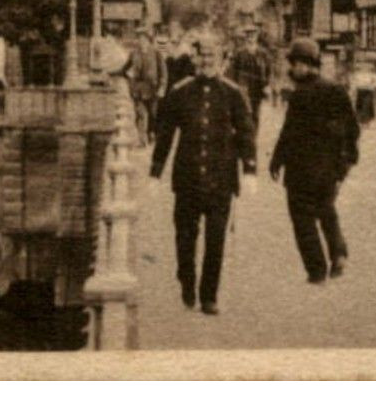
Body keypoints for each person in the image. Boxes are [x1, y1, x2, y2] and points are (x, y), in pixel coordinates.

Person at [150, 40, 257, 315]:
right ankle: (187, 279)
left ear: (221, 59)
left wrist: (250, 170)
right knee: (185, 238)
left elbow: (246, 133)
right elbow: (166, 134)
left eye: (213, 56)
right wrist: (155, 172)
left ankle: (209, 295)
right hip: (187, 179)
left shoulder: (234, 93)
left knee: (215, 240)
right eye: (203, 56)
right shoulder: (180, 92)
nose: (207, 61)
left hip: (221, 180)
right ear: (196, 59)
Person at [268, 40, 359, 284]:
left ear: (303, 64)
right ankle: (339, 254)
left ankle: (317, 270)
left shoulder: (300, 95)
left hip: (301, 171)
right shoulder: (337, 90)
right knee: (327, 210)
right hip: (329, 170)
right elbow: (352, 129)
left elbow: (289, 133)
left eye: (294, 64)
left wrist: (276, 160)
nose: (292, 69)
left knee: (303, 220)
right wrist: (346, 163)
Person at [118, 34, 167, 144]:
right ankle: (142, 138)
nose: (141, 42)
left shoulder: (156, 53)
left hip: (153, 89)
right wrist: (129, 79)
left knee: (153, 114)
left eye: (144, 40)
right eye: (140, 39)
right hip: (138, 90)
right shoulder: (134, 54)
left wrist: (162, 87)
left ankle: (151, 133)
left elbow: (163, 72)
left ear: (149, 41)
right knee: (141, 114)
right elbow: (124, 69)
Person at [227, 30, 271, 133]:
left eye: (253, 36)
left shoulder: (263, 54)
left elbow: (269, 70)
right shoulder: (240, 53)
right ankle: (243, 137)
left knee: (255, 114)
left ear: (256, 38)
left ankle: (253, 137)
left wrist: (267, 85)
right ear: (245, 38)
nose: (250, 38)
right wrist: (234, 87)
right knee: (244, 112)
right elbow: (233, 71)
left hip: (257, 89)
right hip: (243, 88)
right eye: (248, 37)